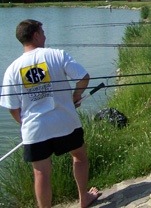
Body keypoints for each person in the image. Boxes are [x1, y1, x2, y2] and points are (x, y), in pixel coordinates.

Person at [0, 19, 100, 208]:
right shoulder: (57, 54)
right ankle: (83, 198)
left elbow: (12, 107)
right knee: (79, 155)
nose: (45, 36)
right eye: (42, 32)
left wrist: (24, 124)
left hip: (35, 130)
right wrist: (75, 97)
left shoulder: (12, 69)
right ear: (36, 35)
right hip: (65, 121)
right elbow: (83, 77)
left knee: (41, 173)